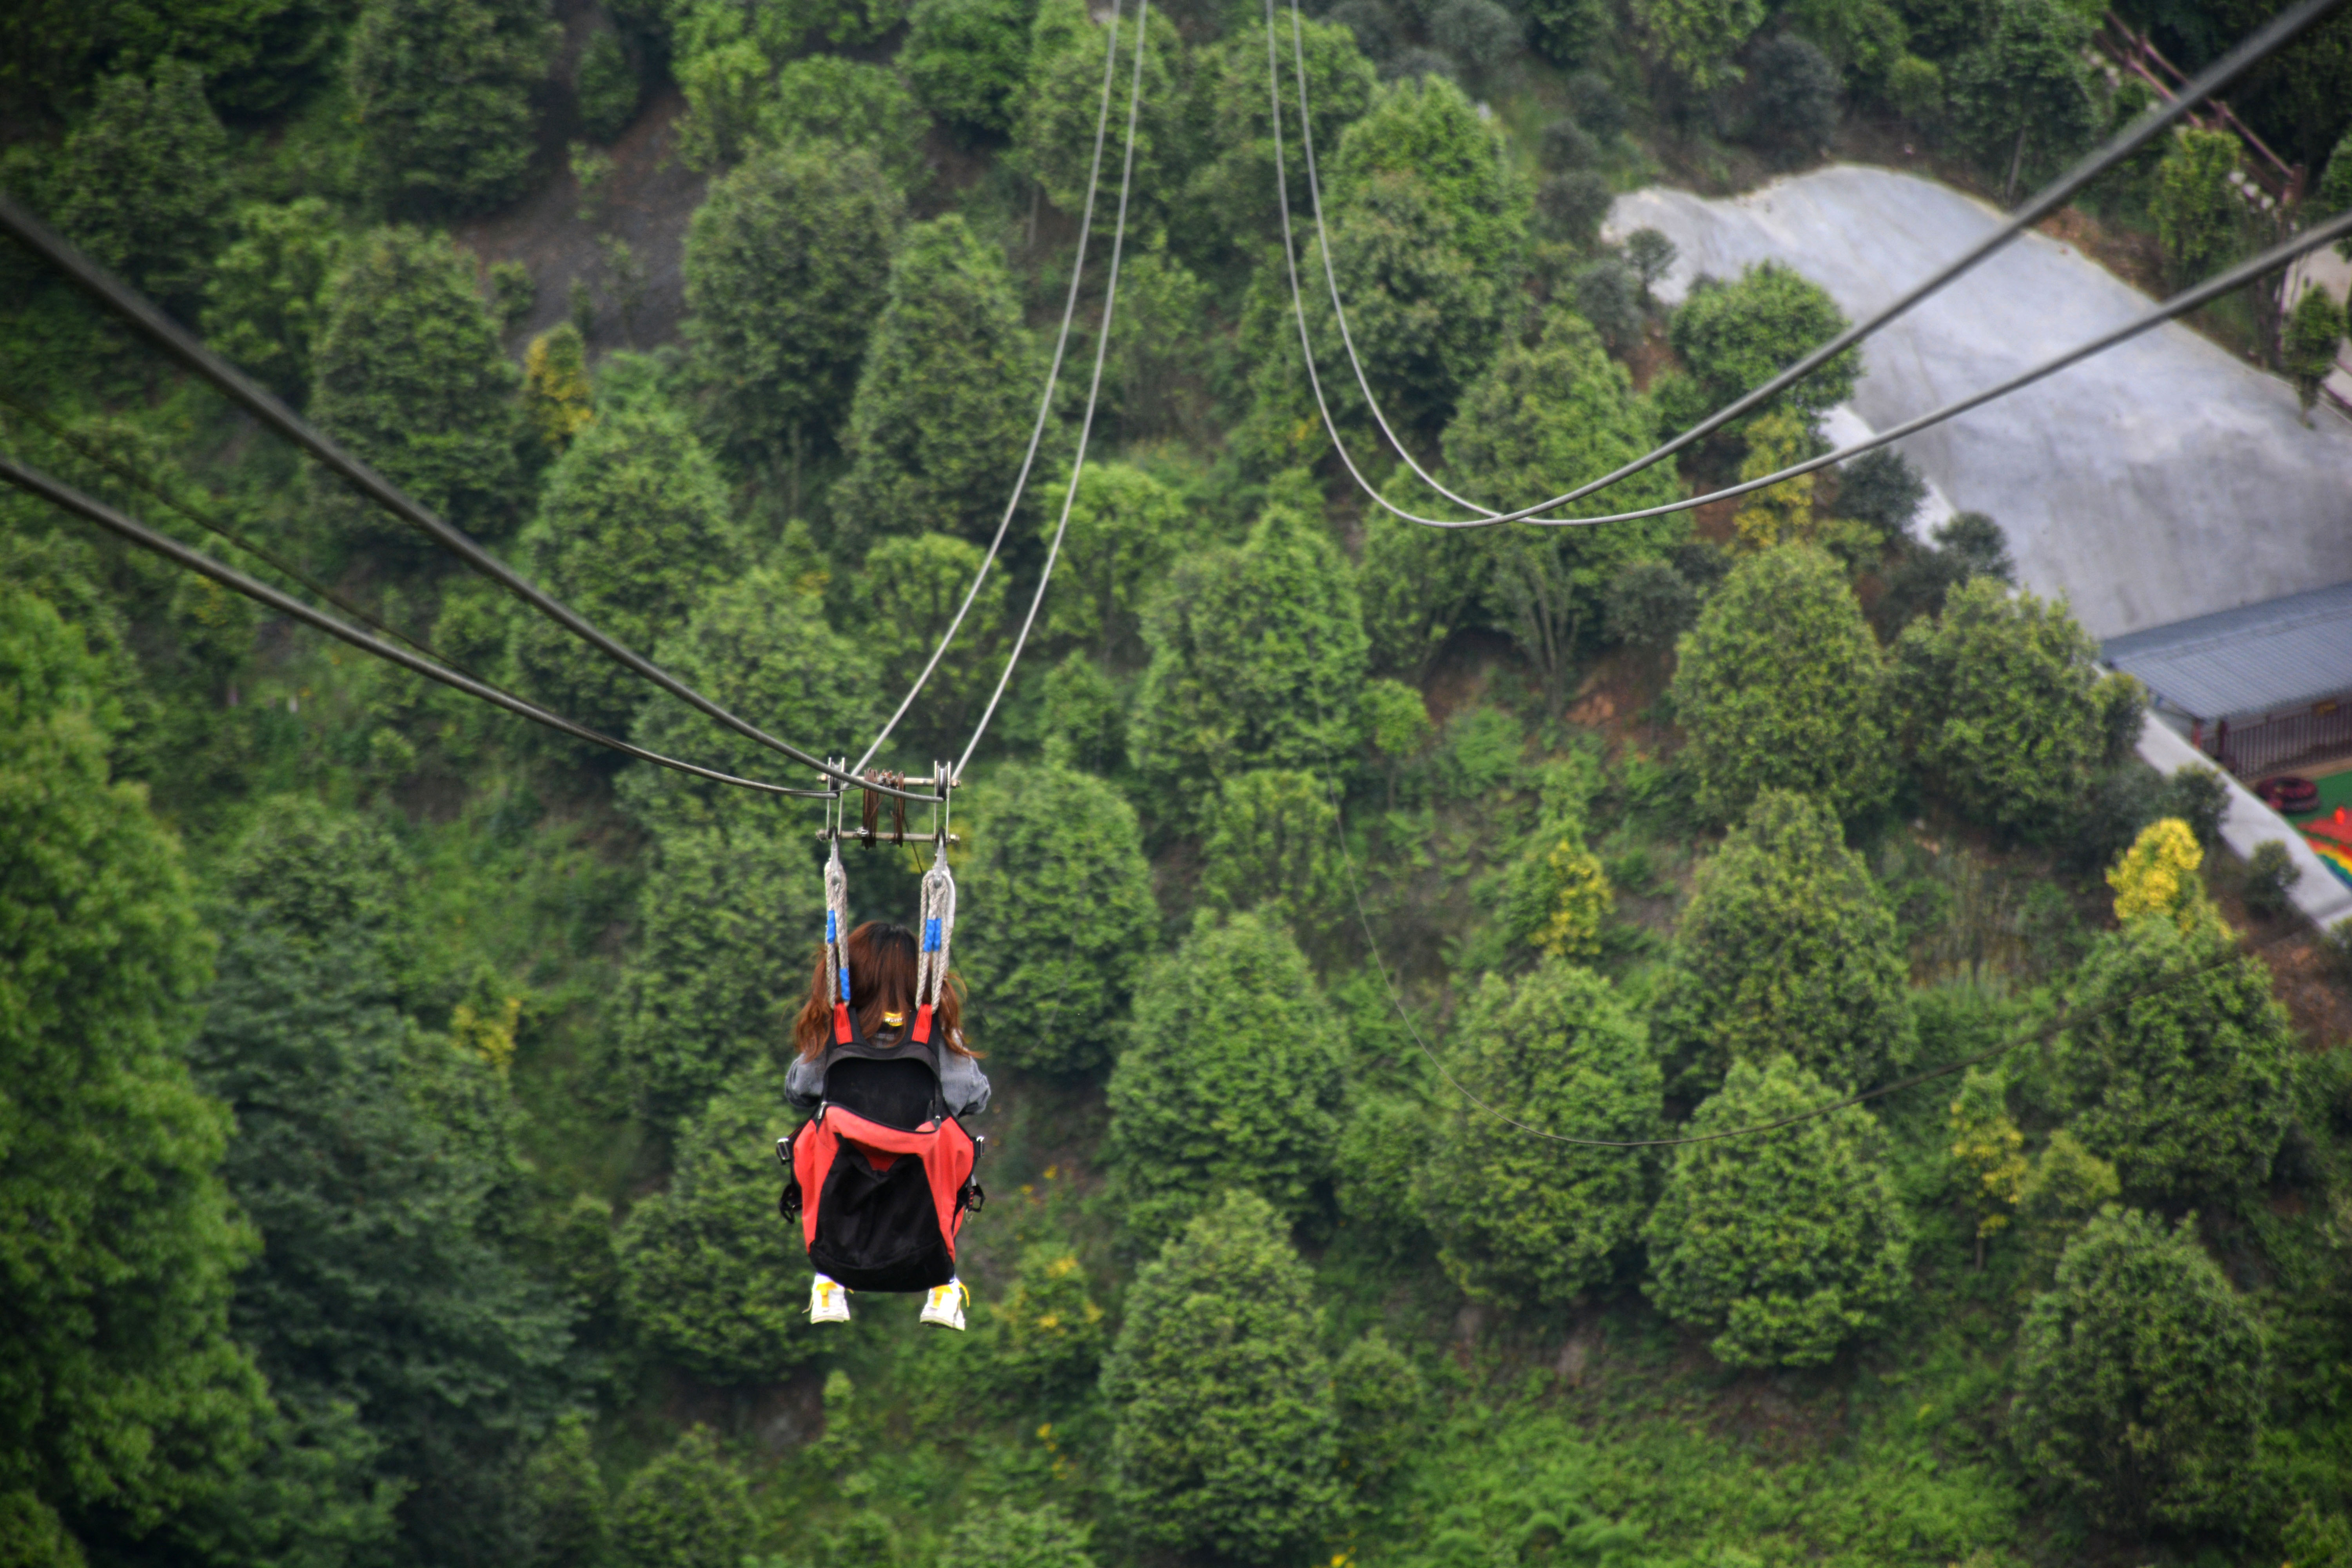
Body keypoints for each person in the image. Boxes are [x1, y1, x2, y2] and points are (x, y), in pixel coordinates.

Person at [786, 919, 989, 1330]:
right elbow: (975, 1097)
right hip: (921, 1212)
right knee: (949, 1141)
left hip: (841, 1201)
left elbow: (799, 1089)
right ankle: (944, 1285)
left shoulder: (834, 1036)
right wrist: (949, 1041)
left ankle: (829, 1279)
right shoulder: (934, 1036)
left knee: (820, 1133)